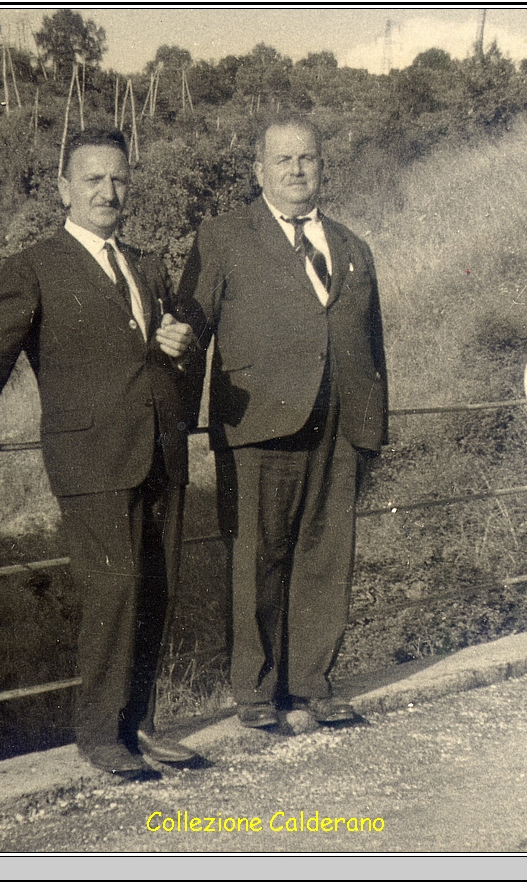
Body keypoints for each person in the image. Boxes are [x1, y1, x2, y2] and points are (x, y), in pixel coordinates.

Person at [0, 129, 201, 781]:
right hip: (91, 458)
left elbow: (163, 351)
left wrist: (179, 341)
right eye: (94, 180)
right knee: (114, 587)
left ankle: (138, 726)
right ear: (64, 190)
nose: (109, 192)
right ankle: (99, 733)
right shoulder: (35, 265)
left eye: (120, 180)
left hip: (161, 449)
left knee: (156, 591)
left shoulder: (144, 263)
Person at [175, 117, 388, 729]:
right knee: (257, 561)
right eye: (284, 160)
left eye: (309, 159)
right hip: (258, 427)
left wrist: (373, 426)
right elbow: (190, 332)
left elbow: (370, 343)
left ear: (323, 166)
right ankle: (258, 692)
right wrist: (179, 428)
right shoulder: (222, 238)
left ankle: (313, 683)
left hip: (340, 427)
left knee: (326, 557)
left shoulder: (350, 246)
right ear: (258, 171)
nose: (297, 171)